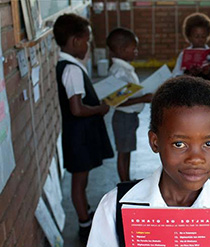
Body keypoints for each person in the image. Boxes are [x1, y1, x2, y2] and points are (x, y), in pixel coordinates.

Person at [87, 76, 210, 247]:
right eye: (179, 144)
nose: (195, 159)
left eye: (208, 144)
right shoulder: (114, 208)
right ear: (155, 142)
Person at [53, 13, 114, 244]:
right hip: (79, 135)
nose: (88, 45)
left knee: (82, 178)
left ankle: (84, 213)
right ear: (76, 41)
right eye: (87, 40)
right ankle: (84, 224)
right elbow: (77, 109)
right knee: (79, 181)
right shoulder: (72, 70)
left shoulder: (66, 66)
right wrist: (99, 109)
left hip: (76, 134)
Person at [106, 28, 153, 182]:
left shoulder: (125, 68)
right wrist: (143, 99)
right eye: (134, 48)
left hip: (129, 117)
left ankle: (126, 179)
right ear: (121, 50)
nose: (136, 52)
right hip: (123, 118)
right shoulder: (119, 71)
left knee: (127, 152)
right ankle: (124, 182)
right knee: (123, 153)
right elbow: (117, 100)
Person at [172, 12, 210, 83]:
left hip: (208, 90)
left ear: (208, 36)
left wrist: (208, 73)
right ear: (189, 37)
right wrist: (190, 74)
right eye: (196, 36)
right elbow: (177, 77)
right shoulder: (183, 55)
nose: (200, 39)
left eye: (203, 36)